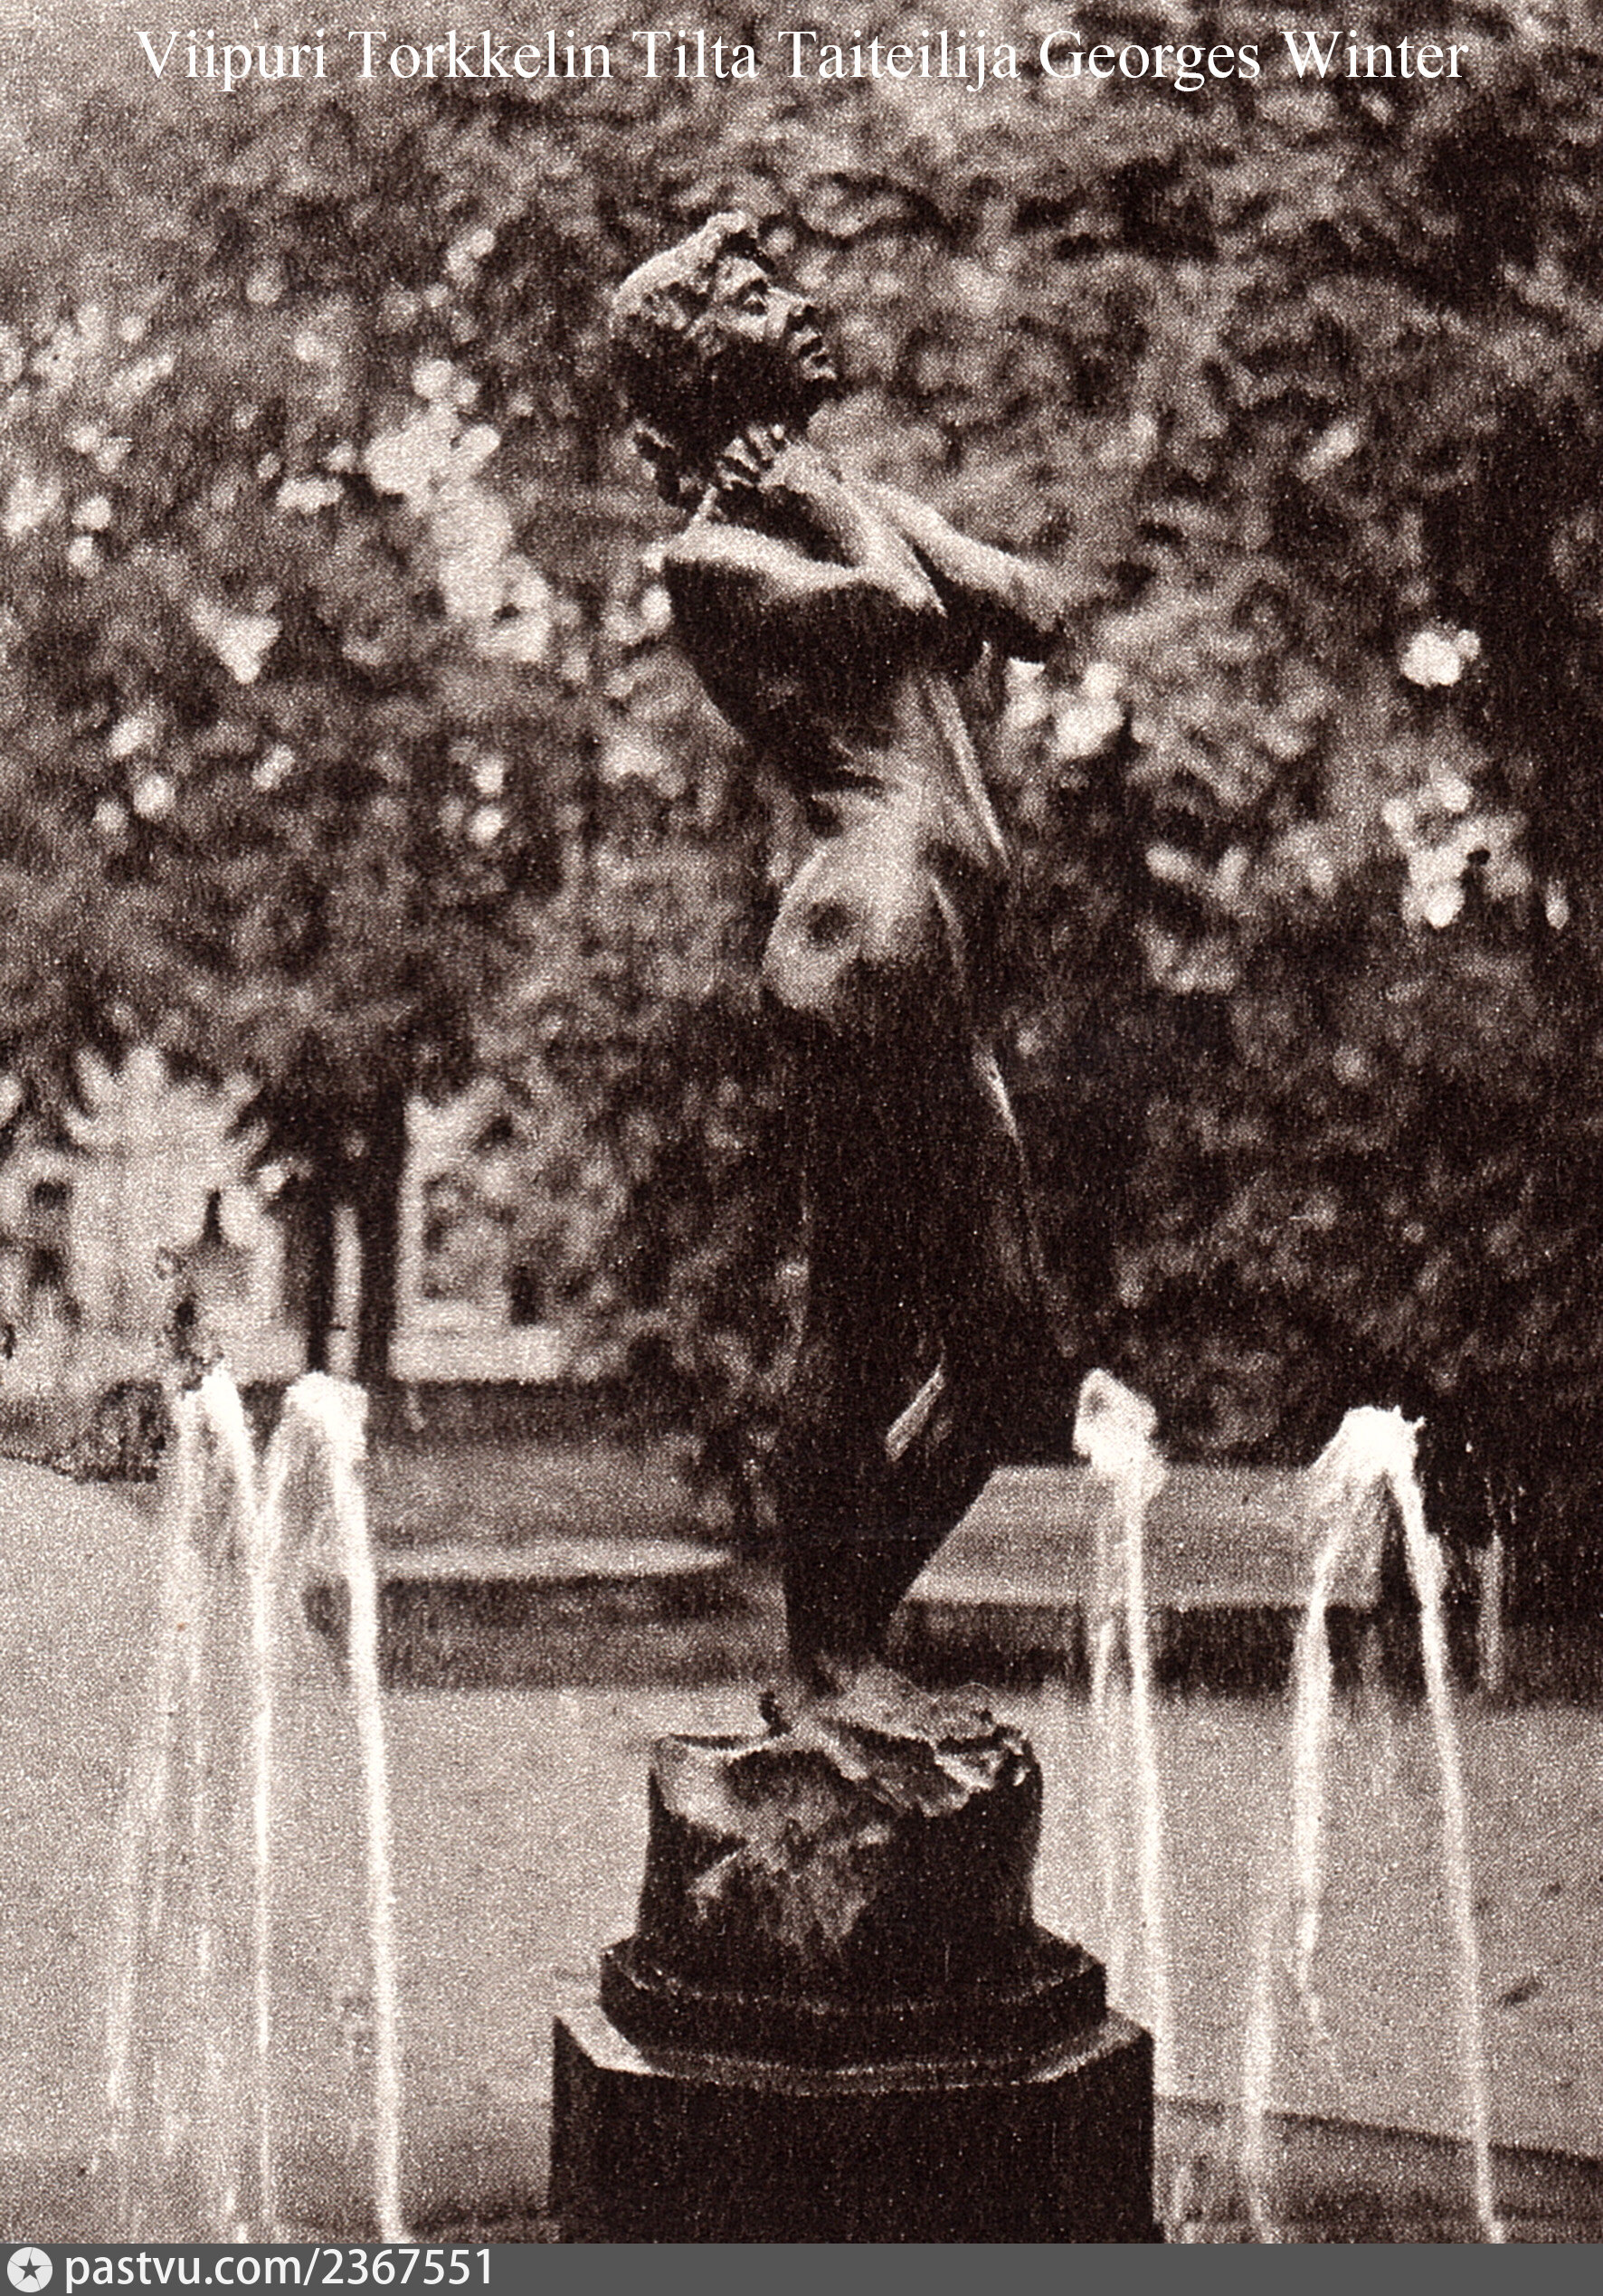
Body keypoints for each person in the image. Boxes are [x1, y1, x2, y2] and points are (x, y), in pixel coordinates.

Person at [611, 213, 1076, 1692]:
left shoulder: (836, 498)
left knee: (1009, 1355)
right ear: (709, 363)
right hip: (867, 936)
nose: (799, 302)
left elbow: (1034, 608)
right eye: (758, 295)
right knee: (862, 1326)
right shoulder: (713, 557)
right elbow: (903, 609)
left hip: (933, 944)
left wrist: (843, 494)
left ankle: (843, 1645)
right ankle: (828, 1663)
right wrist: (829, 503)